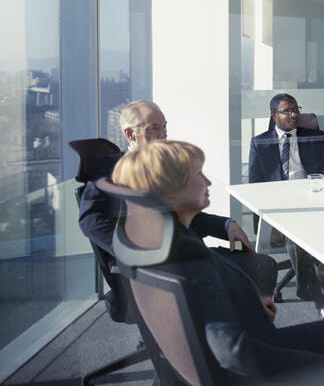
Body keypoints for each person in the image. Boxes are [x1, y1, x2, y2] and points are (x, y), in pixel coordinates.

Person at [113, 140, 324, 380]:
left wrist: (247, 303)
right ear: (170, 189)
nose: (208, 182)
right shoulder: (189, 256)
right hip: (255, 367)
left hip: (247, 338)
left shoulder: (160, 241)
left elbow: (202, 307)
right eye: (198, 174)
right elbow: (233, 352)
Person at [78, 101, 277, 310]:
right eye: (154, 128)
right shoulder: (111, 169)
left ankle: (241, 331)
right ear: (130, 134)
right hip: (152, 269)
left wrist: (226, 225)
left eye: (164, 126)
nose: (163, 134)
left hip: (182, 255)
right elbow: (90, 220)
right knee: (255, 272)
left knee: (260, 266)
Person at [248, 93, 324, 320]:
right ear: (273, 115)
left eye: (296, 109)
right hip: (282, 207)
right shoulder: (260, 142)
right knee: (296, 235)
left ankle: (318, 283)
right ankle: (315, 291)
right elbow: (254, 184)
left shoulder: (313, 136)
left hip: (315, 200)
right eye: (287, 111)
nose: (294, 115)